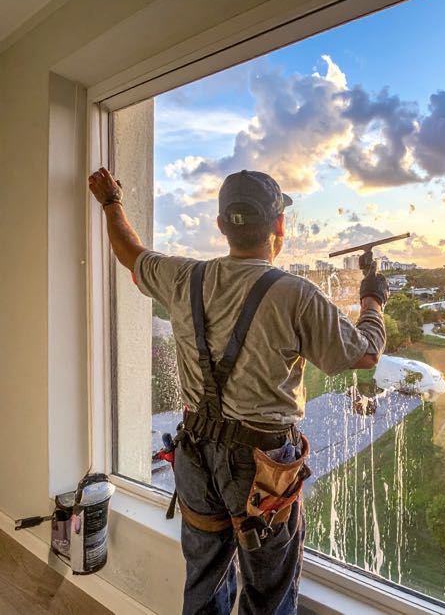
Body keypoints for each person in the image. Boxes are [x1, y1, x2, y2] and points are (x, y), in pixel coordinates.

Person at [88, 167, 388, 615]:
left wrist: (112, 202)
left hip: (195, 455)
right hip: (264, 467)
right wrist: (372, 300)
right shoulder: (295, 295)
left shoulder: (183, 277)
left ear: (221, 225)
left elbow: (130, 253)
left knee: (205, 584)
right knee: (268, 597)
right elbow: (366, 353)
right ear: (279, 225)